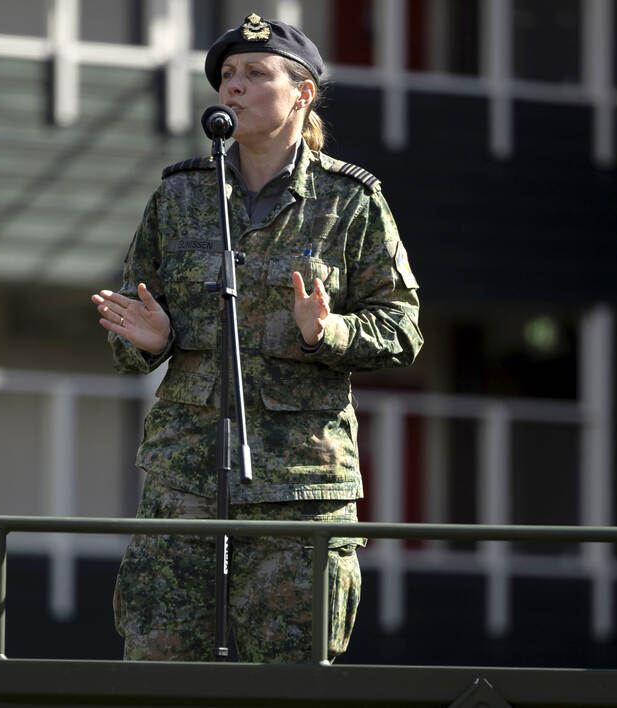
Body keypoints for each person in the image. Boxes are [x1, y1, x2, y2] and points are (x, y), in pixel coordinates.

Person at [90, 13, 422, 663]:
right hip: (185, 482)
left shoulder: (350, 202)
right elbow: (131, 327)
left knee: (288, 679)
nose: (233, 87)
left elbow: (402, 329)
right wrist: (152, 341)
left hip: (300, 489)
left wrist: (329, 331)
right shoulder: (180, 196)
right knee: (159, 668)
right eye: (227, 76)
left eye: (254, 74)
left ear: (302, 94)